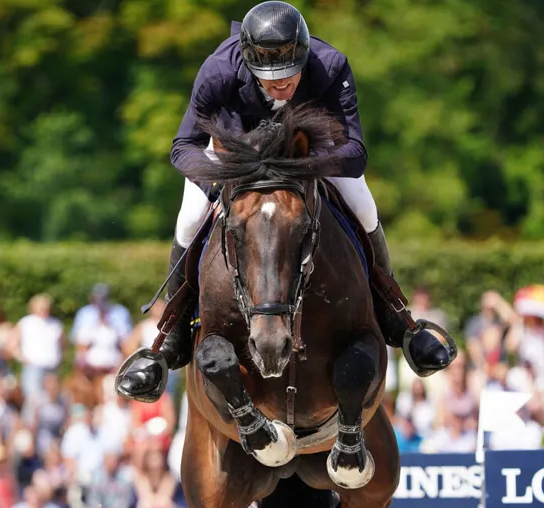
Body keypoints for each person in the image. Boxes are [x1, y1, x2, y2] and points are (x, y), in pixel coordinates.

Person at [116, 0, 455, 402]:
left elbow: (356, 151)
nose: (283, 85)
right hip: (235, 155)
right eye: (272, 80)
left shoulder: (330, 66)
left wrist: (303, 165)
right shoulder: (218, 71)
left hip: (308, 153)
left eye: (290, 76)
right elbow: (182, 147)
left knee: (363, 205)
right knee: (190, 218)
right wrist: (219, 175)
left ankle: (397, 319)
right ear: (249, 63)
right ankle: (171, 336)